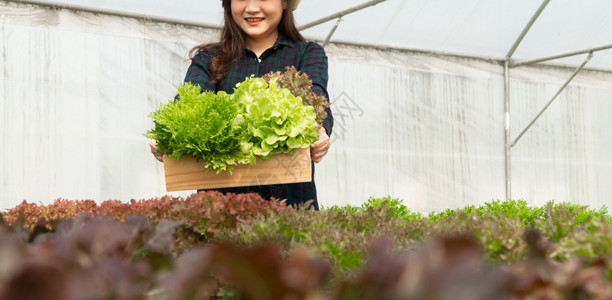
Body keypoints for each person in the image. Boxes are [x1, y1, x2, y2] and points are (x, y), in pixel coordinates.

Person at [150, 0, 333, 210]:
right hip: (221, 206)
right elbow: (188, 104)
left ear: (285, 3)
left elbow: (317, 97)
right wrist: (167, 136)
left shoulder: (307, 53)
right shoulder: (208, 59)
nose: (252, 8)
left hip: (289, 201)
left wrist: (321, 131)